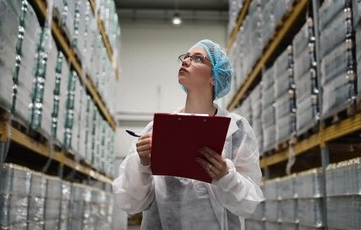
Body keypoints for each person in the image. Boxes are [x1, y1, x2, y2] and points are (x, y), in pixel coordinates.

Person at [112, 39, 264, 230]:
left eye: (197, 58)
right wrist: (142, 163)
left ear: (215, 77)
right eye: (185, 57)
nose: (185, 61)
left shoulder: (236, 130)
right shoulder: (157, 129)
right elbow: (130, 202)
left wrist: (227, 176)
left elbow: (249, 204)